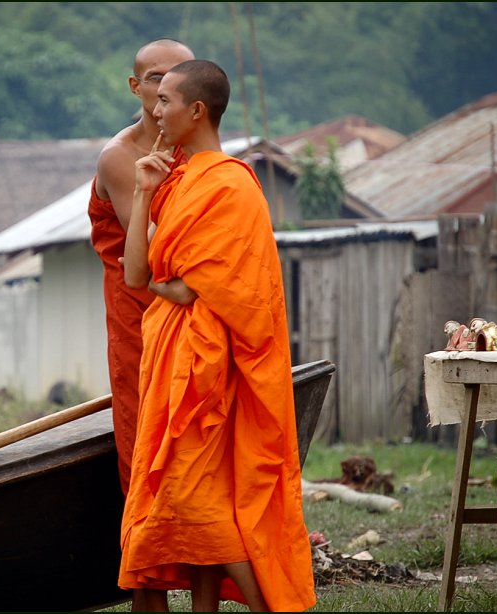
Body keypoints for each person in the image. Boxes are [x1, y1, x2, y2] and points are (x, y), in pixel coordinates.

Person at [119, 60, 316, 611]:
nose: (155, 112)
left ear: (196, 110)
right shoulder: (174, 181)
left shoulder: (229, 186)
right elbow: (139, 275)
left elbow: (192, 291)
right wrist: (141, 192)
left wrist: (174, 284)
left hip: (207, 371)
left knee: (194, 502)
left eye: (165, 102)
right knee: (195, 501)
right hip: (172, 359)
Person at [89, 38, 194, 495]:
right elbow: (151, 257)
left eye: (181, 77)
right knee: (147, 428)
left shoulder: (196, 147)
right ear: (136, 87)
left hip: (193, 306)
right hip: (141, 311)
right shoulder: (120, 156)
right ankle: (153, 555)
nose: (168, 87)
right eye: (156, 79)